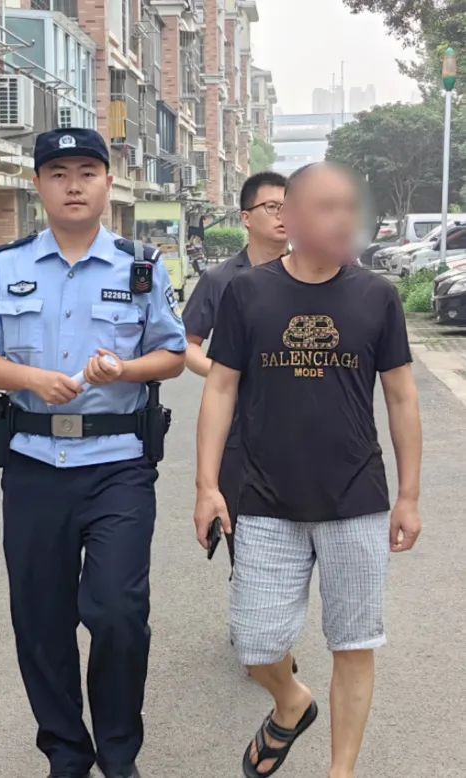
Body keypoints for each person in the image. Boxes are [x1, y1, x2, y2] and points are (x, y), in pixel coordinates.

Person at [0, 128, 187, 778]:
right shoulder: (6, 267)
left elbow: (172, 354)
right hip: (33, 465)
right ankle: (65, 752)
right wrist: (30, 379)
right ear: (38, 185)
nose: (74, 185)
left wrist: (126, 369)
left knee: (117, 612)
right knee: (41, 618)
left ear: (108, 182)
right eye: (58, 174)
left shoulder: (141, 266)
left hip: (118, 465)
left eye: (87, 171)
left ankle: (117, 754)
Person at [194, 162, 422, 778]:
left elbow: (401, 397)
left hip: (356, 499)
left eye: (349, 206)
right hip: (265, 499)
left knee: (354, 643)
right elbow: (220, 389)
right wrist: (207, 486)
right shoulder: (247, 292)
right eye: (327, 207)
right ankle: (292, 700)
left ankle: (340, 771)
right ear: (288, 217)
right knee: (256, 644)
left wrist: (408, 495)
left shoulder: (377, 295)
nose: (343, 219)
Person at [183, 172, 288, 555]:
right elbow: (187, 345)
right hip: (239, 434)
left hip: (299, 433)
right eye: (273, 207)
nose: (283, 215)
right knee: (246, 550)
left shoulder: (313, 273)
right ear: (246, 217)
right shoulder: (220, 279)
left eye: (290, 207)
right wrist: (223, 375)